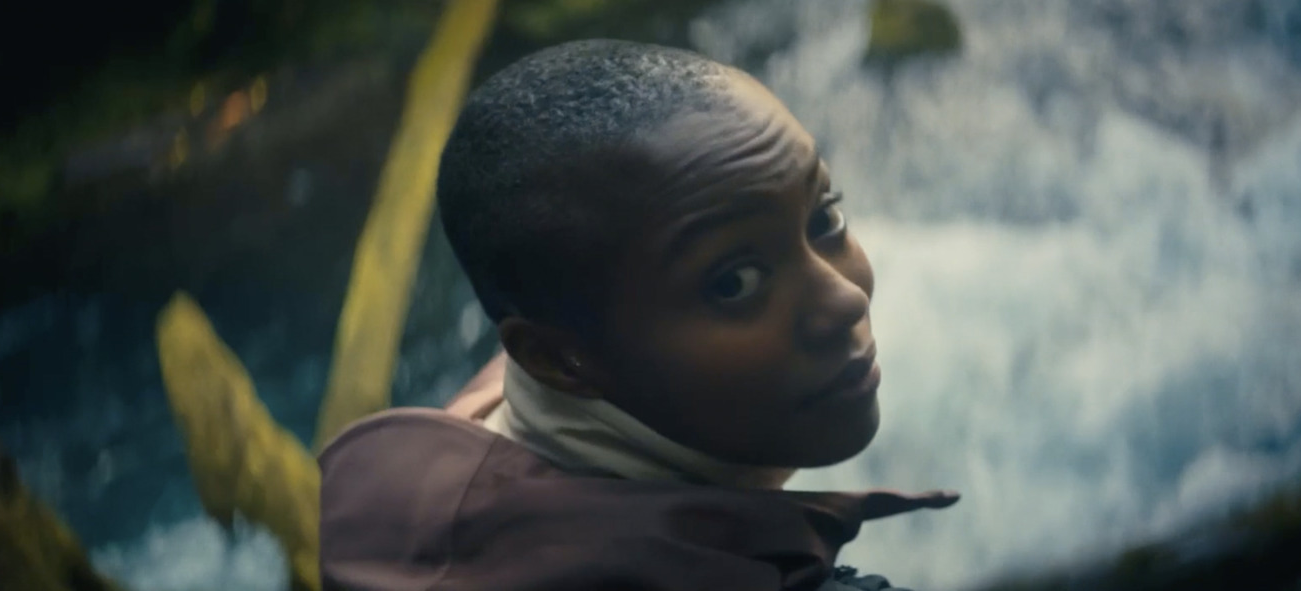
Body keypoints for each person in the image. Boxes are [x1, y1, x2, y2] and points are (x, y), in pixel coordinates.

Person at [319, 39, 958, 591]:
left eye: (826, 219)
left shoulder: (384, 478)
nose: (845, 300)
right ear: (556, 359)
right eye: (734, 283)